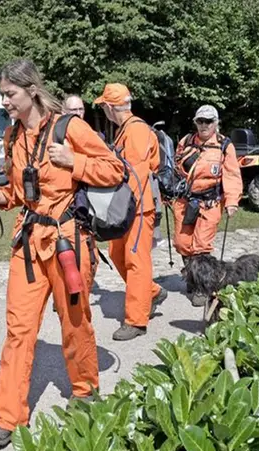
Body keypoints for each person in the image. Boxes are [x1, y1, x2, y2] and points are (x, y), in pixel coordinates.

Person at [0, 59, 125, 447]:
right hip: (28, 243)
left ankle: (85, 391)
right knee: (17, 330)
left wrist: (74, 161)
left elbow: (115, 170)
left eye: (10, 94)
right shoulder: (12, 136)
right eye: (3, 95)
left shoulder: (69, 127)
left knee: (75, 321)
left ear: (31, 90)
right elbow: (19, 192)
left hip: (67, 241)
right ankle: (7, 418)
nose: (5, 102)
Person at [93, 83, 168, 341]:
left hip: (135, 207)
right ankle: (153, 291)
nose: (103, 111)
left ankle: (136, 320)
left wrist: (122, 207)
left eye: (103, 106)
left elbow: (136, 173)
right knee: (116, 253)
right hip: (126, 206)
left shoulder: (135, 130)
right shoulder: (127, 129)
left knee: (136, 261)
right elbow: (154, 163)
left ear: (111, 108)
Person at [172, 105, 242, 307]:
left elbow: (231, 174)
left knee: (201, 245)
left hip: (209, 203)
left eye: (208, 121)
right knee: (182, 243)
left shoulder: (224, 146)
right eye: (200, 121)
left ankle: (201, 285)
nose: (204, 125)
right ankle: (192, 275)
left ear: (216, 123)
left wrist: (231, 201)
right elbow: (176, 169)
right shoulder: (185, 142)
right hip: (185, 201)